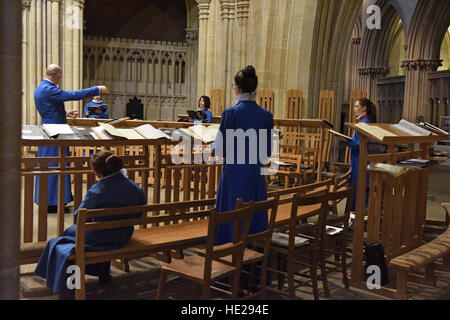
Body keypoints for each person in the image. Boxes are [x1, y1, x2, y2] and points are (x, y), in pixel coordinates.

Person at [34, 151, 146, 297]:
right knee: (91, 232)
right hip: (123, 235)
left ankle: (70, 282)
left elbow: (79, 218)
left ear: (97, 173)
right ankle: (102, 272)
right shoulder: (134, 188)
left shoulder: (97, 191)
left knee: (64, 239)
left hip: (102, 238)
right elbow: (139, 214)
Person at [34, 64, 109, 213]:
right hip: (55, 133)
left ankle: (50, 200)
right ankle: (53, 202)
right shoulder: (49, 89)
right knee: (56, 166)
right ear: (58, 75)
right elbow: (72, 95)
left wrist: (66, 113)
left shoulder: (41, 87)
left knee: (49, 166)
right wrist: (96, 89)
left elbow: (49, 109)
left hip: (48, 131)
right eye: (61, 75)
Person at [214, 66, 274, 245]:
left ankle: (228, 258)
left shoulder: (230, 113)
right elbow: (266, 153)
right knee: (252, 218)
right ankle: (253, 260)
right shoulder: (265, 115)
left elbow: (220, 150)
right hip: (255, 176)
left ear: (237, 88)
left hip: (233, 175)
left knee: (231, 218)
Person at [341, 98, 377, 212]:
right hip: (358, 156)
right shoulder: (363, 121)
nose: (354, 109)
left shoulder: (364, 123)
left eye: (357, 106)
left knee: (358, 185)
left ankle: (356, 213)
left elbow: (357, 144)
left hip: (360, 157)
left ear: (364, 108)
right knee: (357, 183)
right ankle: (356, 212)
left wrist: (344, 139)